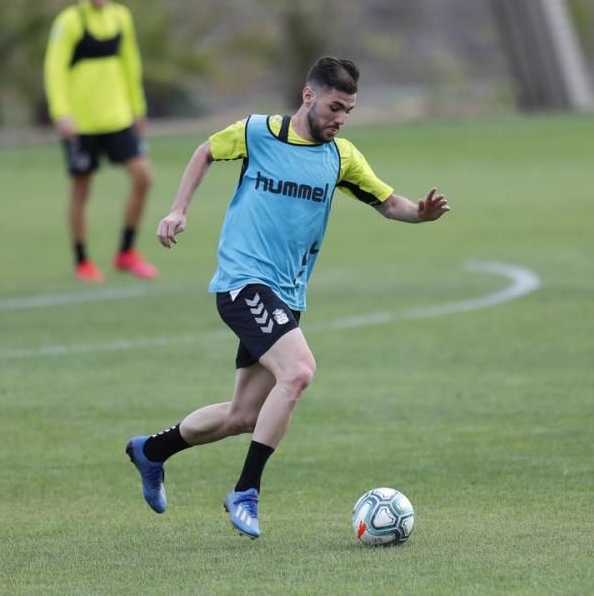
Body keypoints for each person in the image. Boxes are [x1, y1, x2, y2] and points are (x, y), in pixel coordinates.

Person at [124, 57, 450, 537]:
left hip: (287, 294)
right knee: (298, 372)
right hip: (243, 282)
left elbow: (388, 202)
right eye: (335, 107)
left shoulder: (342, 157)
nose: (341, 118)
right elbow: (205, 152)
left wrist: (420, 214)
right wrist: (178, 210)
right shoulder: (259, 132)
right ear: (308, 96)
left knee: (243, 416)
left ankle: (151, 451)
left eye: (349, 111)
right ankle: (245, 491)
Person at [43, 0, 158, 282]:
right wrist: (61, 113)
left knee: (144, 177)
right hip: (81, 124)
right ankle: (82, 260)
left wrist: (138, 108)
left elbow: (130, 64)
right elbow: (54, 69)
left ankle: (126, 252)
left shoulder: (121, 17)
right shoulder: (70, 21)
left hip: (118, 118)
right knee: (81, 190)